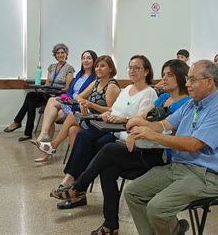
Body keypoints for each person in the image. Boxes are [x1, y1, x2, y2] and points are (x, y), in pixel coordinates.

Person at [50, 59, 191, 235]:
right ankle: (110, 225)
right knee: (108, 168)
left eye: (170, 75)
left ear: (182, 77)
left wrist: (140, 127)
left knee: (109, 149)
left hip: (161, 154)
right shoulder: (163, 98)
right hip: (143, 146)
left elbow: (169, 132)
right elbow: (140, 118)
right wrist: (137, 127)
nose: (164, 78)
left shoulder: (186, 104)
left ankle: (78, 187)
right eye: (163, 74)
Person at [123, 60, 218, 235]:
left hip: (207, 176)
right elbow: (164, 124)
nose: (187, 84)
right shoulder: (192, 104)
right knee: (133, 193)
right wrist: (142, 129)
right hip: (179, 168)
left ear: (209, 81)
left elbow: (193, 144)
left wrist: (154, 136)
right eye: (187, 79)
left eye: (192, 80)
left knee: (157, 208)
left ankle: (174, 231)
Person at [52, 55, 158, 209]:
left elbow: (142, 120)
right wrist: (107, 114)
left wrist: (122, 119)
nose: (132, 71)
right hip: (111, 128)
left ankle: (76, 188)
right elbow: (113, 109)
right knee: (82, 136)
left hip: (124, 134)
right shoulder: (128, 88)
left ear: (146, 71)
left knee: (94, 146)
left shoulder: (149, 93)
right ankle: (72, 184)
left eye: (137, 68)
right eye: (130, 67)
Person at [36, 55, 120, 162]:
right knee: (72, 130)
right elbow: (80, 96)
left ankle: (54, 145)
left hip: (102, 121)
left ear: (111, 68)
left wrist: (91, 105)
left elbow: (111, 110)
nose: (99, 68)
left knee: (72, 115)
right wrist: (82, 102)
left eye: (102, 66)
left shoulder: (111, 86)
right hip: (92, 117)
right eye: (97, 66)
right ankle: (77, 163)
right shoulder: (97, 82)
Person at [4, 43, 75, 141]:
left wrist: (55, 90)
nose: (60, 55)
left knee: (30, 97)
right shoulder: (51, 67)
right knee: (31, 100)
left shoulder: (69, 68)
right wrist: (43, 89)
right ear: (55, 55)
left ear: (66, 54)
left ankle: (18, 123)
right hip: (47, 93)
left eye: (62, 52)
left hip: (58, 95)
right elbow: (47, 84)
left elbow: (67, 88)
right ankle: (26, 132)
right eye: (58, 53)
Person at [32, 50, 98, 146]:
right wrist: (66, 97)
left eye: (88, 58)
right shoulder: (80, 74)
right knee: (50, 116)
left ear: (94, 60)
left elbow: (85, 96)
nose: (85, 60)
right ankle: (45, 141)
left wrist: (70, 99)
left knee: (50, 112)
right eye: (83, 58)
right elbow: (70, 90)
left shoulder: (94, 78)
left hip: (77, 105)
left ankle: (44, 141)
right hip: (69, 102)